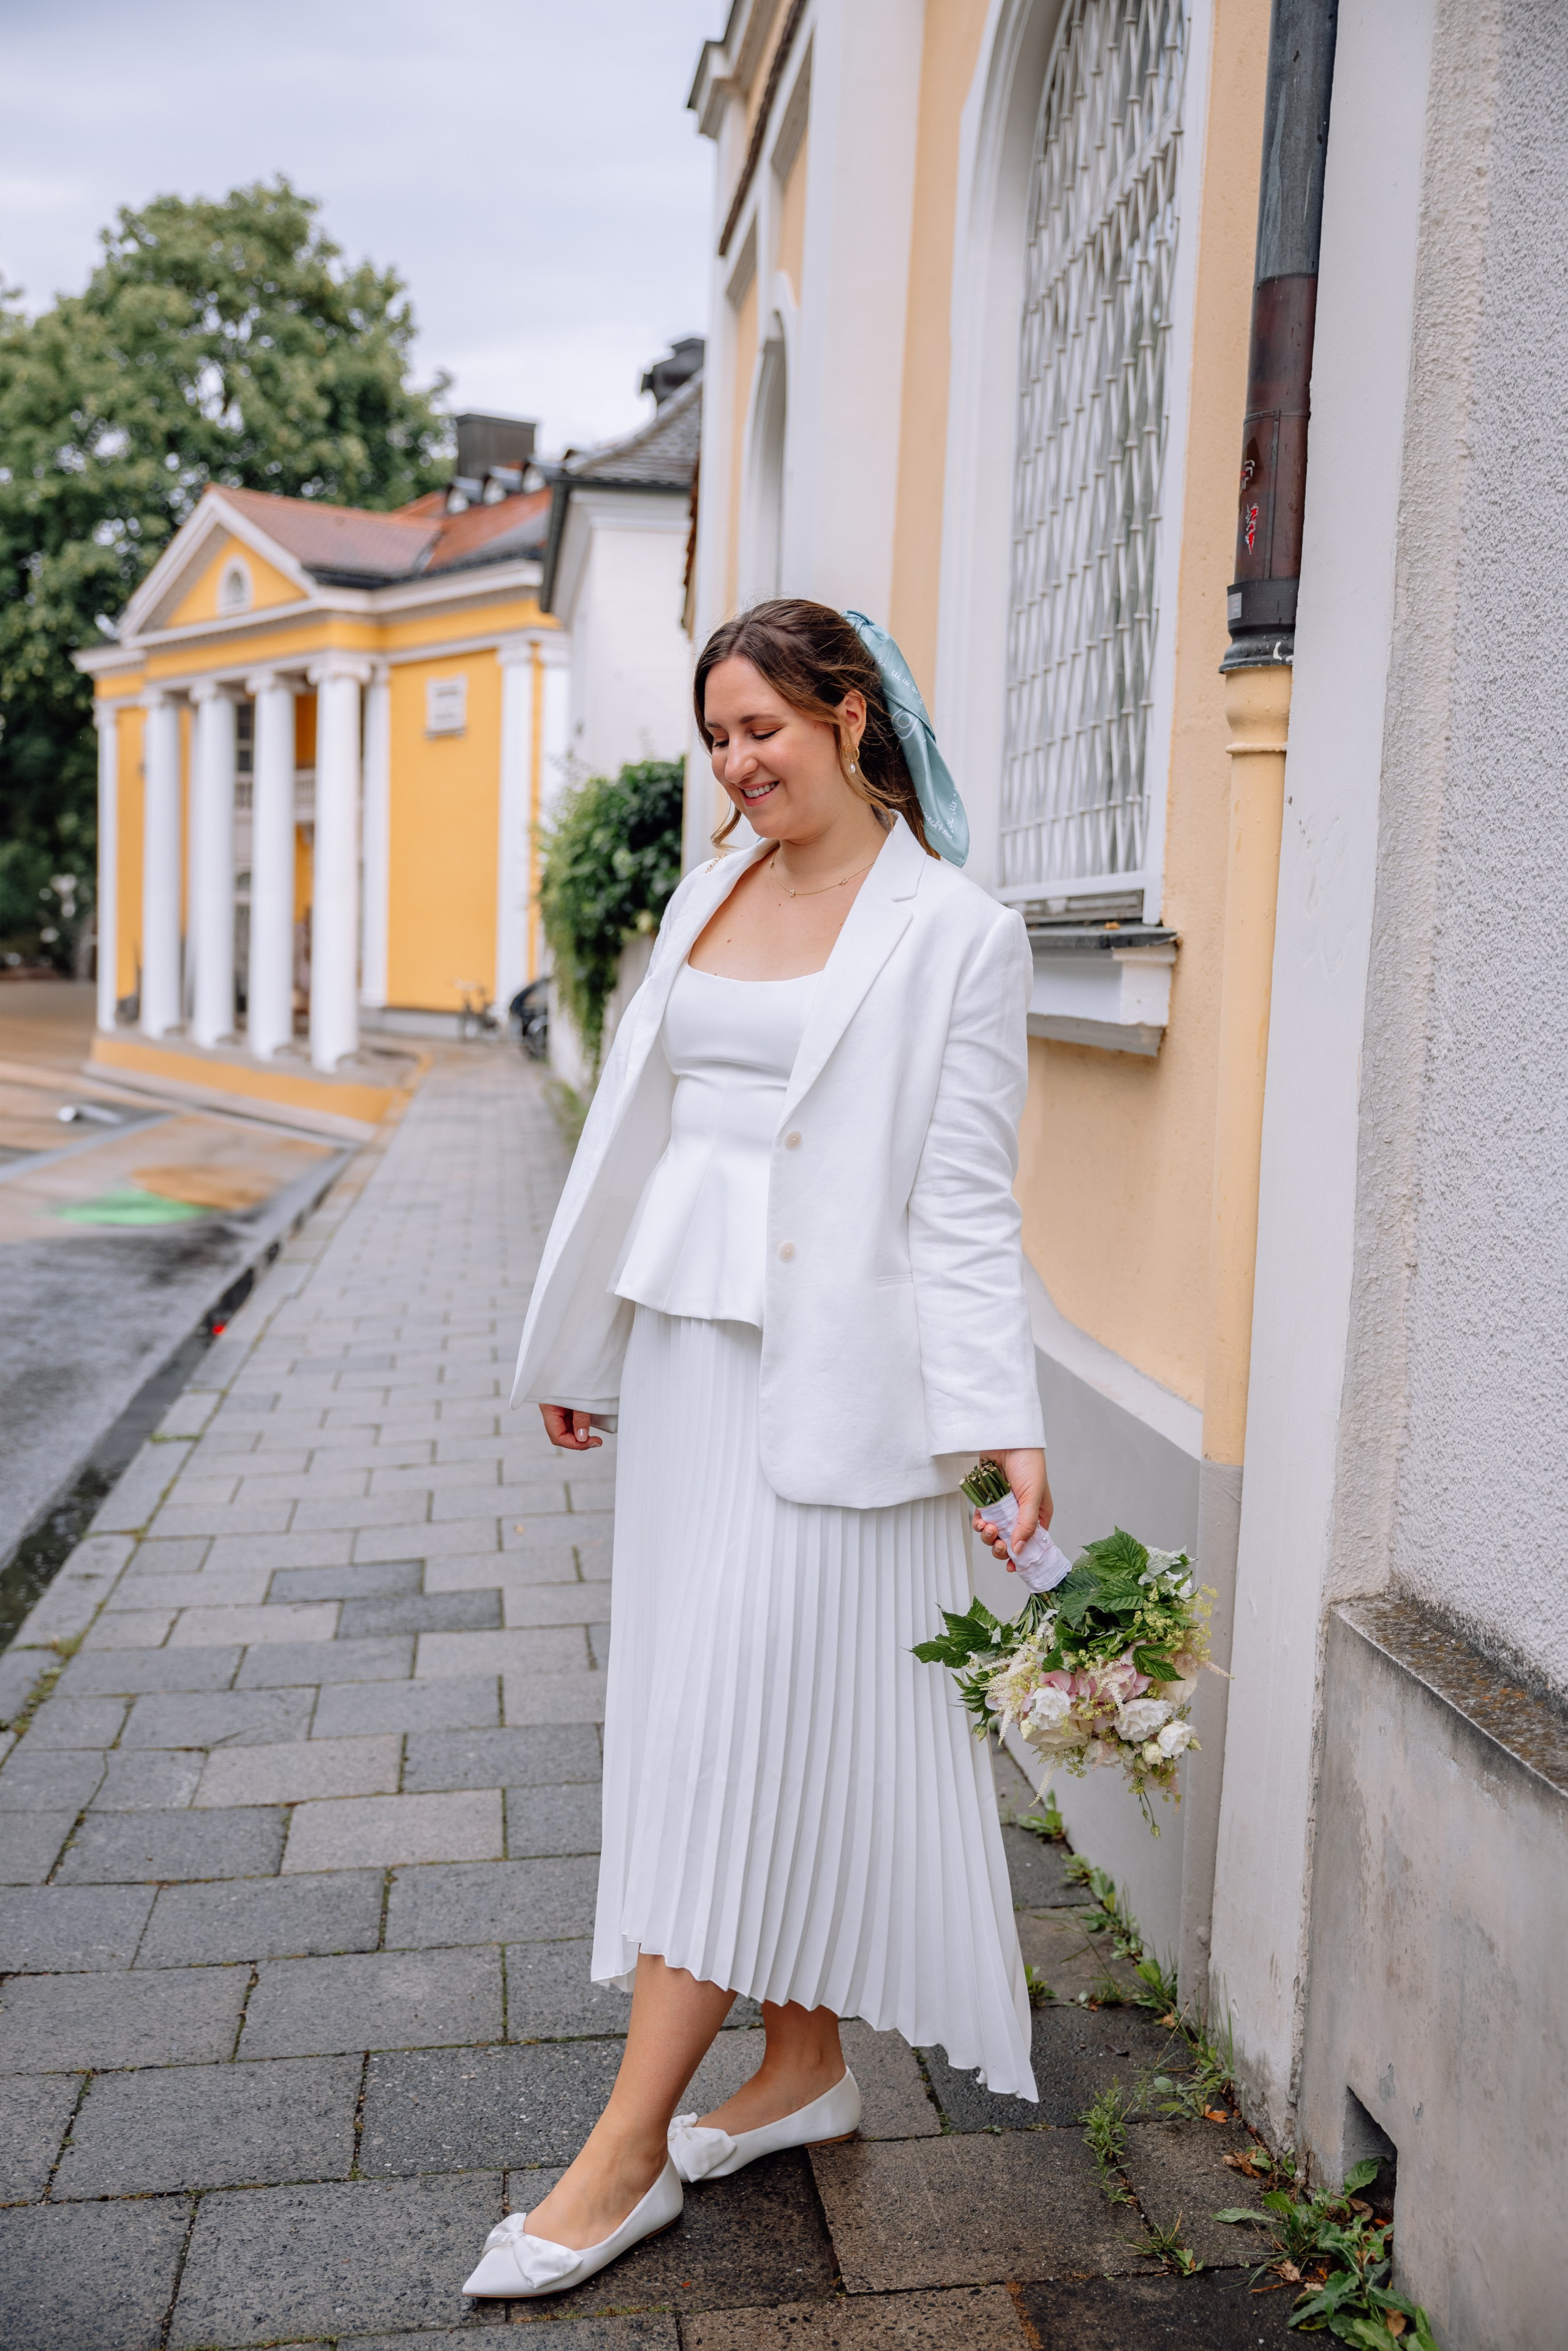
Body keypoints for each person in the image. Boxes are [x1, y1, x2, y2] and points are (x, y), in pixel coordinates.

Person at [462, 598, 1051, 2301]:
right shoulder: (706, 890)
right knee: (711, 1719)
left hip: (844, 1393)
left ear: (850, 716)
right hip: (687, 1362)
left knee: (730, 1736)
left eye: (762, 731)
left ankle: (622, 2155)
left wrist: (1001, 1420)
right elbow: (642, 1130)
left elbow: (963, 1204)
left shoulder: (960, 935)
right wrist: (585, 1340)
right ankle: (801, 2068)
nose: (735, 764)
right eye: (716, 737)